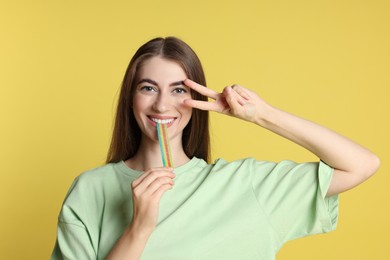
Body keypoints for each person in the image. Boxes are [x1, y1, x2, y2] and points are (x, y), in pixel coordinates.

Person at [51, 37, 380, 260]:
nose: (163, 104)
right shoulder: (89, 191)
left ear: (195, 101)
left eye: (179, 90)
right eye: (148, 88)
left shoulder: (245, 185)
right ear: (131, 98)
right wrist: (139, 229)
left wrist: (262, 115)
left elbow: (361, 164)